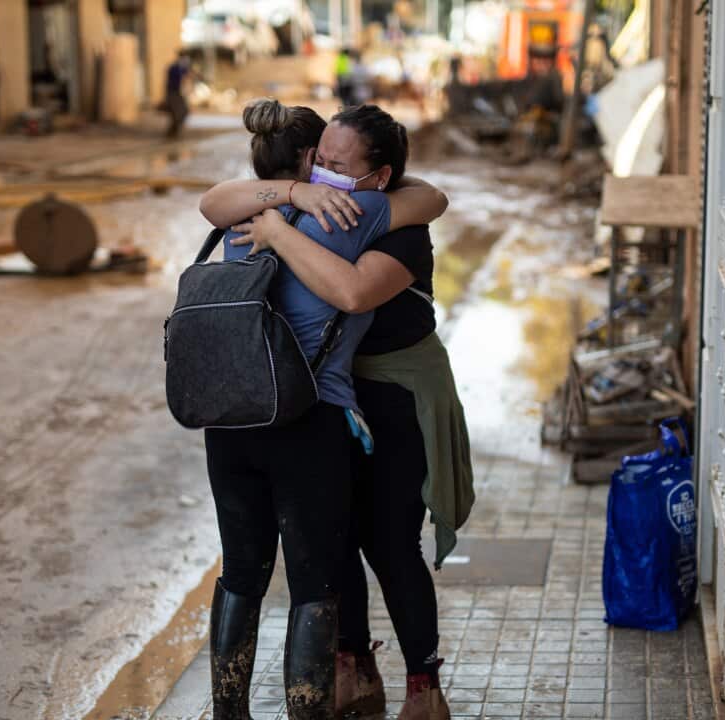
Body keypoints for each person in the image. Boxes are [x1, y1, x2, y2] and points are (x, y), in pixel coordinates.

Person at [216, 104, 472, 720]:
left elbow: (360, 283)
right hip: (326, 403)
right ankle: (353, 673)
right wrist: (292, 201)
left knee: (389, 543)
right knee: (333, 548)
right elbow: (215, 201)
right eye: (318, 161)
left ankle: (423, 689)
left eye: (337, 165)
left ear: (378, 176)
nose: (324, 173)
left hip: (395, 398)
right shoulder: (300, 203)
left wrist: (278, 228)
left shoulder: (387, 222)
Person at [164, 52, 192, 138]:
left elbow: (188, 76)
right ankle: (171, 132)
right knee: (176, 113)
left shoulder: (184, 68)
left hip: (181, 94)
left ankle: (174, 132)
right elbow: (172, 81)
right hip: (173, 93)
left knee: (184, 112)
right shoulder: (174, 68)